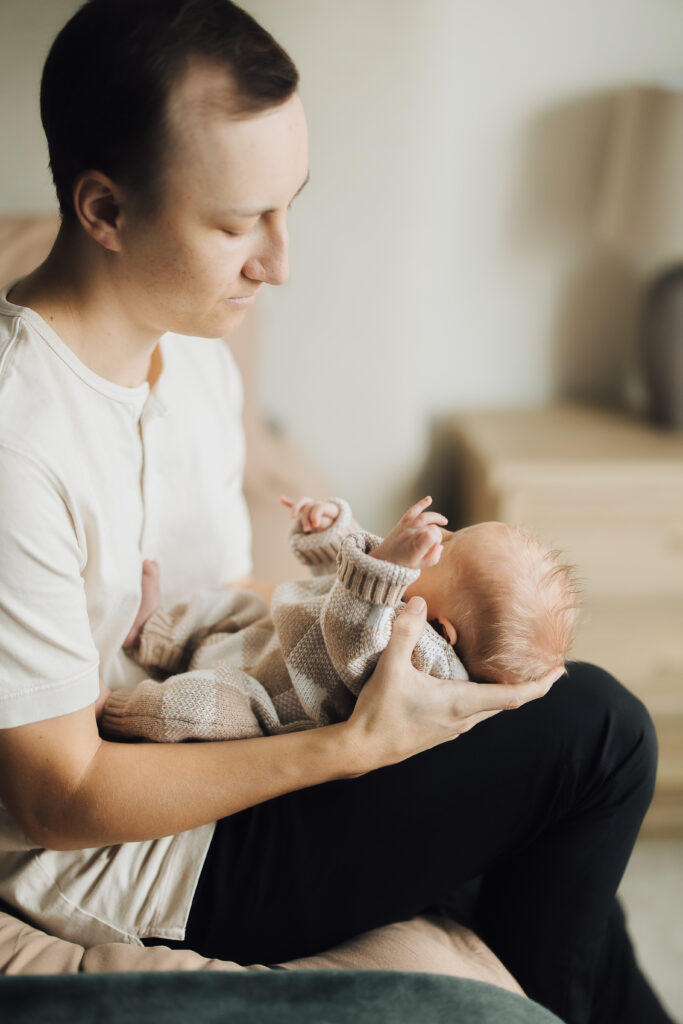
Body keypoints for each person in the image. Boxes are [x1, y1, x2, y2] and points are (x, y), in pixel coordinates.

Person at [0, 2, 672, 1022]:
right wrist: (355, 746)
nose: (279, 262)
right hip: (133, 858)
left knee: (547, 757)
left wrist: (367, 624)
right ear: (104, 209)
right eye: (236, 224)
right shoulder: (20, 441)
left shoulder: (195, 356)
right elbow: (59, 800)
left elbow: (226, 593)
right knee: (600, 734)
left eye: (287, 209)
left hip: (227, 735)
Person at [98, 494, 580, 744]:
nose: (441, 535)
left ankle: (118, 712)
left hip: (264, 703)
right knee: (232, 605)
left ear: (440, 631)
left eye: (448, 546)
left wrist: (385, 567)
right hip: (265, 641)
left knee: (199, 705)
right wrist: (331, 528)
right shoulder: (394, 591)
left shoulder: (423, 664)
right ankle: (154, 633)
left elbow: (353, 634)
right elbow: (350, 575)